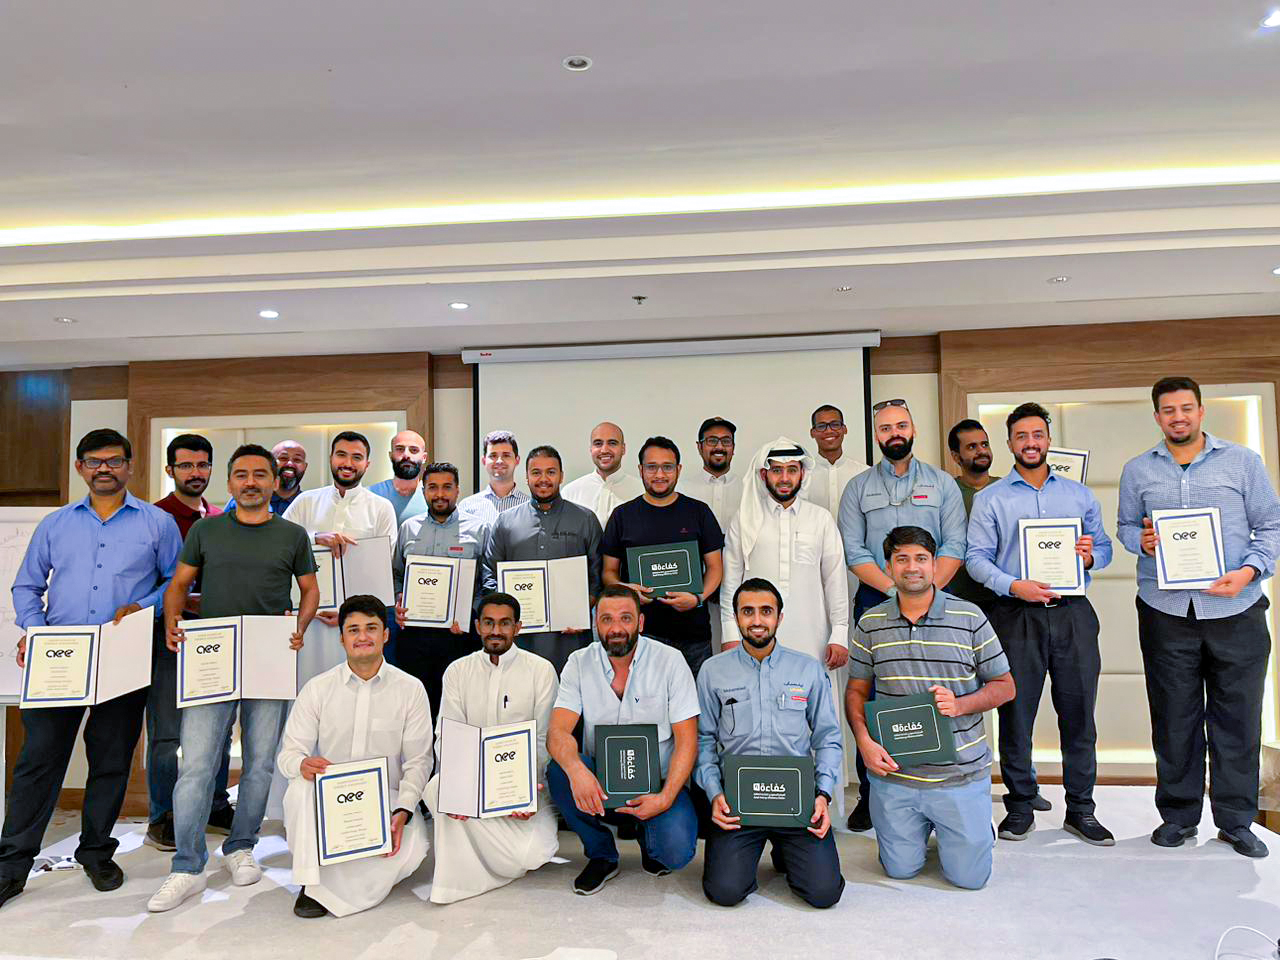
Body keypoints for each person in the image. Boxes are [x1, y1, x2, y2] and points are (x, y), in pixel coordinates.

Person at [1, 429, 182, 911]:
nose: (105, 468)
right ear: (80, 467)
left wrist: (141, 607)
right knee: (39, 760)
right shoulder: (55, 524)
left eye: (114, 460)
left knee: (111, 759)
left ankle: (97, 852)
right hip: (60, 656)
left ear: (129, 466)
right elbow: (26, 586)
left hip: (123, 655)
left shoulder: (158, 523)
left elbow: (174, 583)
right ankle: (12, 864)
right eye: (94, 461)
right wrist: (36, 632)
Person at [147, 443, 320, 912]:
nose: (251, 482)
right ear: (230, 483)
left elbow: (310, 590)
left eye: (260, 474)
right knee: (197, 764)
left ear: (273, 482)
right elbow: (178, 585)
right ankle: (187, 866)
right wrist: (172, 621)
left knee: (261, 762)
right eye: (241, 474)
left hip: (269, 657)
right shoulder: (206, 530)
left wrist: (301, 625)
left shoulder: (292, 535)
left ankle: (241, 845)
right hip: (213, 658)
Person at [1118, 376, 1280, 859]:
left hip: (1236, 608)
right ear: (1157, 417)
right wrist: (1140, 540)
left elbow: (1272, 525)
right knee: (1174, 718)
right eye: (1168, 410)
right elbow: (1125, 527)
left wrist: (1249, 571)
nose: (1178, 417)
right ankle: (1178, 817)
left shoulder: (1243, 462)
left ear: (1201, 411)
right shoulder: (1137, 470)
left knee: (1237, 719)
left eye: (1186, 408)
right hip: (1166, 611)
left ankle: (1235, 822)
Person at [966, 402, 1115, 846]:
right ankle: (1019, 806)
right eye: (1021, 436)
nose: (1030, 443)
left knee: (1079, 715)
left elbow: (1104, 549)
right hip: (1016, 616)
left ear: (1048, 440)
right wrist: (1015, 586)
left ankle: (1082, 810)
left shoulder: (1079, 495)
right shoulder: (991, 499)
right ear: (1009, 443)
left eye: (1037, 435)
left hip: (1073, 614)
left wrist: (1089, 557)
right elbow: (976, 559)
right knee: (1016, 715)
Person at [848, 526, 1014, 889]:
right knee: (900, 870)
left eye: (921, 558)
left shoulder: (970, 617)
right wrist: (863, 740)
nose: (912, 567)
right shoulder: (870, 623)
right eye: (902, 559)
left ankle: (975, 825)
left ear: (934, 564)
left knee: (969, 879)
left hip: (959, 777)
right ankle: (924, 828)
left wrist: (960, 704)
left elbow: (1005, 687)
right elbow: (856, 691)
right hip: (897, 778)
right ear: (888, 567)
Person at [837, 398, 967, 831]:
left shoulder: (942, 483)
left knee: (935, 692)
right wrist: (898, 590)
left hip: (937, 601)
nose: (894, 433)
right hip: (875, 601)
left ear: (913, 430)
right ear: (876, 435)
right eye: (886, 428)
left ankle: (940, 788)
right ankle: (872, 792)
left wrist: (925, 592)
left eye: (901, 425)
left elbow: (955, 544)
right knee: (872, 695)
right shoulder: (857, 487)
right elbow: (853, 550)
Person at [278, 595, 433, 917]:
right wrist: (302, 764)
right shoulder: (318, 688)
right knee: (299, 788)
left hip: (385, 801)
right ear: (342, 638)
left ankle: (337, 883)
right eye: (354, 630)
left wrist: (404, 810)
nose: (363, 637)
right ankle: (311, 885)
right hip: (330, 801)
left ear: (385, 634)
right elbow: (289, 754)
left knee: (416, 847)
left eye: (371, 628)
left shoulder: (410, 689)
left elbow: (419, 761)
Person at [697, 578, 844, 909]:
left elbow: (828, 737)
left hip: (797, 799)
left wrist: (822, 794)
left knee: (824, 894)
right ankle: (755, 853)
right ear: (736, 617)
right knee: (724, 891)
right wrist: (715, 794)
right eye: (747, 611)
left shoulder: (807, 669)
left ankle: (786, 850)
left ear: (779, 616)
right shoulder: (712, 671)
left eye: (766, 611)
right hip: (738, 801)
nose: (757, 620)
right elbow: (703, 739)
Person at [719, 439, 850, 813]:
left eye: (792, 470)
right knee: (757, 718)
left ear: (802, 474)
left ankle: (819, 803)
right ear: (764, 475)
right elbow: (731, 583)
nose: (784, 477)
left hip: (812, 636)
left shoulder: (820, 519)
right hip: (754, 640)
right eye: (776, 470)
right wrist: (730, 634)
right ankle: (758, 802)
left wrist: (840, 633)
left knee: (813, 717)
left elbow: (834, 580)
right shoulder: (745, 520)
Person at [546, 585, 700, 895]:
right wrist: (576, 771)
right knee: (559, 770)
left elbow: (687, 741)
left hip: (658, 783)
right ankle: (602, 853)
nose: (616, 628)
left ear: (640, 623)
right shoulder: (578, 662)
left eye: (625, 618)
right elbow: (557, 733)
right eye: (607, 619)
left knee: (675, 853)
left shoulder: (671, 661)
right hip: (601, 783)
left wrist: (666, 797)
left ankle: (649, 839)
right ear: (596, 623)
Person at [945, 418, 1052, 815]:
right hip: (961, 606)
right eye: (970, 447)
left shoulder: (1009, 488)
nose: (980, 451)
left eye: (984, 444)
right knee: (958, 697)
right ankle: (960, 778)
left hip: (1008, 606)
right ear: (956, 456)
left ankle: (1022, 783)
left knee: (1013, 698)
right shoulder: (948, 493)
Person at [425, 592, 560, 902]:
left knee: (534, 853)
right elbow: (447, 735)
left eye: (504, 623)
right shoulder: (458, 671)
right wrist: (463, 790)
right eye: (488, 623)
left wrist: (523, 792)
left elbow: (543, 740)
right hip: (472, 790)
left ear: (518, 627)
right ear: (478, 626)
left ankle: (477, 861)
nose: (496, 631)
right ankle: (458, 880)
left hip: (524, 793)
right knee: (437, 788)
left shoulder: (540, 670)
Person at [147, 433, 235, 852]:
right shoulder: (154, 517)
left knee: (219, 728)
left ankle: (215, 804)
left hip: (215, 636)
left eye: (202, 465)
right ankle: (163, 815)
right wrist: (182, 600)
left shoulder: (220, 518)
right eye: (185, 465)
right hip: (170, 636)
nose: (195, 472)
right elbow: (152, 582)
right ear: (170, 470)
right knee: (167, 734)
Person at [601, 436, 724, 676]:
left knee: (695, 698)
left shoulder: (699, 512)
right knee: (645, 699)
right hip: (642, 636)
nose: (660, 474)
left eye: (667, 467)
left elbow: (715, 567)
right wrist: (628, 591)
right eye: (652, 467)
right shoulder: (622, 516)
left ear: (678, 469)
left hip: (693, 636)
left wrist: (697, 598)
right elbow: (608, 572)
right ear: (641, 470)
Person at [283, 431, 398, 683]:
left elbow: (380, 570)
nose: (348, 463)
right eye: (341, 455)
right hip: (306, 622)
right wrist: (314, 538)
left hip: (357, 624)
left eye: (356, 457)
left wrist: (348, 612)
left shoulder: (381, 508)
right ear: (331, 458)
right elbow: (278, 547)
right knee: (306, 688)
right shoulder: (305, 502)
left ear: (367, 464)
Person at [482, 445, 602, 674]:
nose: (544, 479)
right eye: (536, 472)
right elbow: (490, 574)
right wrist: (505, 616)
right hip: (520, 639)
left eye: (551, 472)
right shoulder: (506, 522)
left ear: (561, 476)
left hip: (571, 638)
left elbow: (597, 577)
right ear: (526, 477)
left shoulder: (585, 520)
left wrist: (580, 610)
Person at [392, 462, 489, 719]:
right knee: (416, 710)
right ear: (423, 491)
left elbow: (488, 581)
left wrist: (470, 614)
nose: (440, 494)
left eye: (447, 487)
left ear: (457, 490)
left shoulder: (479, 529)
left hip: (460, 636)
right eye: (432, 487)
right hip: (415, 637)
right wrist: (398, 599)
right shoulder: (408, 528)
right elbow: (397, 575)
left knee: (459, 710)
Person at [681, 417, 742, 652]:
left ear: (733, 448)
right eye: (712, 441)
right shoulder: (682, 489)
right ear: (699, 447)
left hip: (739, 585)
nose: (719, 447)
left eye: (726, 441)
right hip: (694, 588)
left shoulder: (750, 490)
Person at [562, 422, 644, 526]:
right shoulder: (570, 493)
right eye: (598, 443)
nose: (604, 450)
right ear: (591, 449)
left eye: (612, 443)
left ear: (623, 449)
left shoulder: (642, 492)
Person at [805, 403, 869, 516]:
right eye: (821, 426)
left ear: (844, 429)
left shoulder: (864, 474)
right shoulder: (803, 476)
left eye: (835, 424)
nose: (829, 431)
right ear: (812, 433)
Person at [459, 430, 528, 525]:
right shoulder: (467, 507)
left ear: (517, 460)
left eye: (506, 455)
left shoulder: (530, 507)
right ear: (484, 461)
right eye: (493, 456)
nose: (499, 461)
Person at [227, 439, 308, 514]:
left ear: (305, 467)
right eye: (283, 458)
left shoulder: (309, 504)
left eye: (297, 460)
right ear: (270, 464)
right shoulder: (245, 500)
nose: (290, 464)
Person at [368, 430, 429, 527]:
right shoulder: (371, 494)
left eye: (414, 450)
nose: (406, 455)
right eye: (400, 449)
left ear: (424, 457)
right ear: (390, 455)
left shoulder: (433, 497)